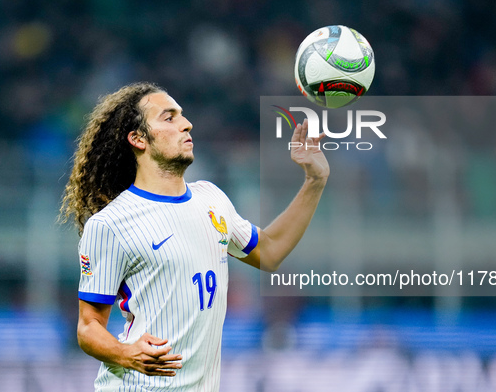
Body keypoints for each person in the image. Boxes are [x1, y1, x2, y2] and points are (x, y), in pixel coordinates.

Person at [59, 82, 329, 391]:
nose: (186, 124)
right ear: (138, 139)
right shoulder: (111, 224)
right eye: (168, 117)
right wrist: (127, 353)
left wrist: (314, 180)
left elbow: (270, 251)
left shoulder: (211, 199)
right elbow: (88, 326)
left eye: (182, 116)